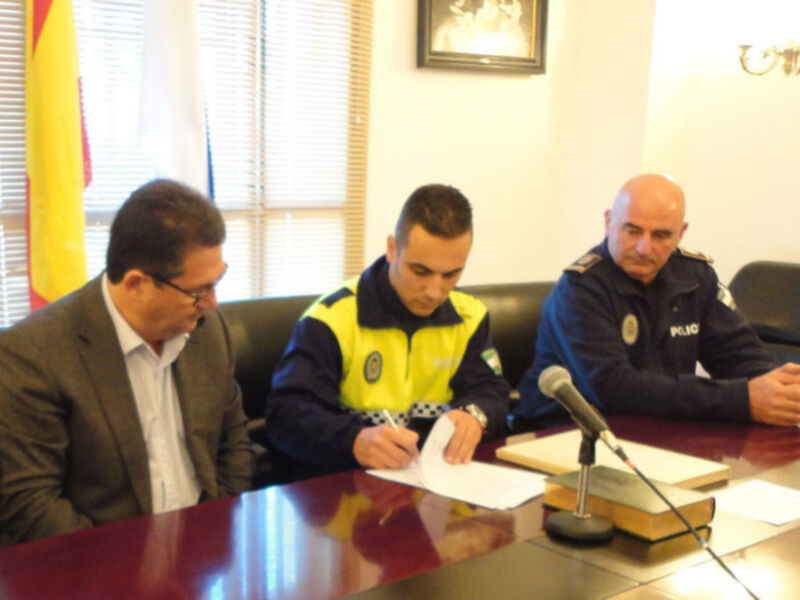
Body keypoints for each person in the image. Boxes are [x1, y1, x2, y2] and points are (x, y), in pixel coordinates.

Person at [0, 179, 253, 545]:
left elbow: (234, 443)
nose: (212, 303)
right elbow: (31, 503)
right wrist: (121, 565)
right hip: (98, 561)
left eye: (217, 281)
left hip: (200, 551)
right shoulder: (34, 354)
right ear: (136, 284)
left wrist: (209, 530)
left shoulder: (209, 330)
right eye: (198, 290)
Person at [515, 173, 800, 430]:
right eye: (632, 231)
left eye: (661, 235)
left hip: (663, 428)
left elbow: (738, 355)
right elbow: (616, 390)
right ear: (608, 222)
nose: (644, 247)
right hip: (571, 434)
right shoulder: (580, 288)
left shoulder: (695, 276)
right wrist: (742, 399)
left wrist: (781, 390)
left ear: (680, 233)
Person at [266, 183, 510, 480]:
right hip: (347, 486)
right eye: (420, 271)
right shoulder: (330, 320)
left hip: (436, 485)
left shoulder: (470, 316)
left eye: (451, 274)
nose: (434, 292)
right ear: (392, 248)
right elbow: (285, 416)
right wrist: (353, 440)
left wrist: (476, 415)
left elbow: (492, 392)